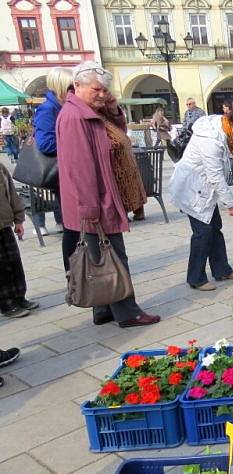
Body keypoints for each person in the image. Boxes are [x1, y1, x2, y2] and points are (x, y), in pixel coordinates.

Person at [56, 61, 159, 328]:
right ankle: (128, 312)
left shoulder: (91, 111)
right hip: (96, 200)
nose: (102, 94)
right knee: (113, 255)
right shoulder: (75, 117)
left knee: (98, 255)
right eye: (97, 89)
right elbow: (79, 168)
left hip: (100, 197)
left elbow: (116, 134)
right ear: (77, 85)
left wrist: (113, 109)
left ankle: (103, 309)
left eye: (105, 90)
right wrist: (90, 207)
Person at [169, 107, 233, 291]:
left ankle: (222, 270)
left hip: (203, 190)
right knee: (203, 233)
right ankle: (196, 278)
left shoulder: (222, 129)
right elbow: (215, 176)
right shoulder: (211, 140)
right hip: (192, 190)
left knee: (215, 228)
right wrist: (231, 204)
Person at [31, 66, 73, 234]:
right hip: (56, 170)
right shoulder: (48, 109)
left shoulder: (62, 107)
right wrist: (74, 144)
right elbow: (45, 144)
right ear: (60, 86)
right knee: (71, 229)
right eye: (71, 86)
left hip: (65, 171)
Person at [1, 163, 39, 318]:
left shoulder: (1, 168)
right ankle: (6, 303)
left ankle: (19, 296)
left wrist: (18, 220)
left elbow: (11, 194)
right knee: (1, 269)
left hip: (5, 225)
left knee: (14, 263)